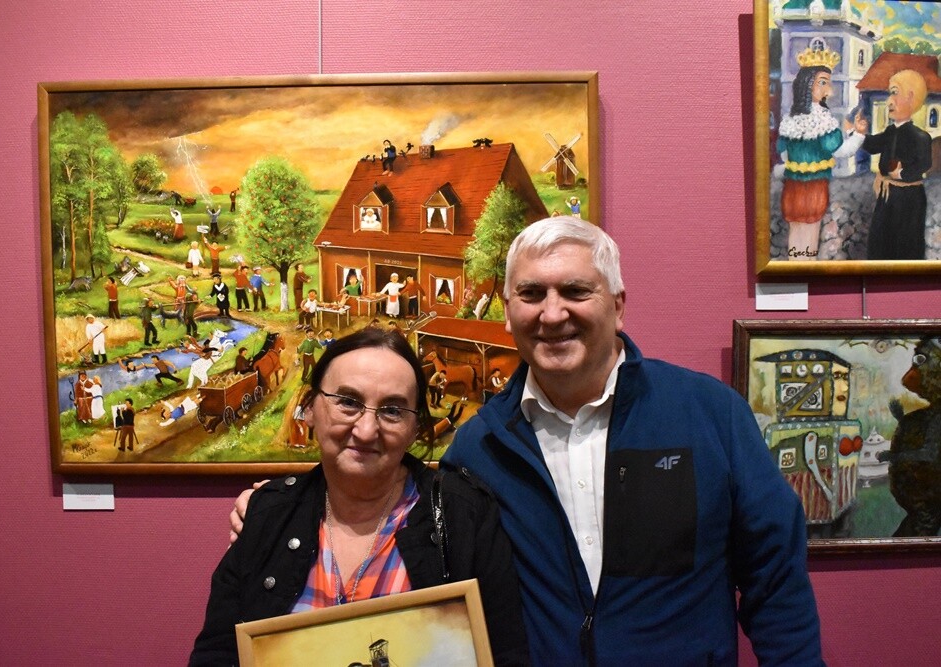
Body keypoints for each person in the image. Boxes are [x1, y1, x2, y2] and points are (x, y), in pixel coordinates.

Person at [230, 217, 823, 665]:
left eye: (576, 291)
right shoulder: (479, 448)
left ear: (618, 306)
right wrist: (280, 506)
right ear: (509, 310)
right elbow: (393, 497)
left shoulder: (709, 414)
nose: (552, 313)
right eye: (532, 294)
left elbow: (775, 580)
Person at [190, 328, 528, 665]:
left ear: (414, 429)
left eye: (392, 410)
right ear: (310, 408)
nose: (366, 431)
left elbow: (505, 654)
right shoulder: (267, 514)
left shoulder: (464, 516)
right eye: (348, 403)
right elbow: (216, 653)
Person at [775, 47, 864, 260]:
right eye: (822, 82)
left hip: (793, 187)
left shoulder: (790, 120)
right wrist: (858, 135)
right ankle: (805, 264)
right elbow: (841, 151)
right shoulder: (823, 121)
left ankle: (797, 264)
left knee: (797, 231)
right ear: (807, 86)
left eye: (827, 82)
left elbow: (784, 153)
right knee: (810, 230)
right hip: (814, 187)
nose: (828, 89)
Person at [854, 69, 932, 260]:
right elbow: (872, 146)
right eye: (890, 93)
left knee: (906, 243)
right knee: (880, 240)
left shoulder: (921, 136)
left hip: (909, 197)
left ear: (910, 97)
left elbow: (924, 163)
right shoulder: (890, 131)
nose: (889, 101)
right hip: (886, 194)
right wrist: (859, 133)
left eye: (895, 92)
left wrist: (903, 174)